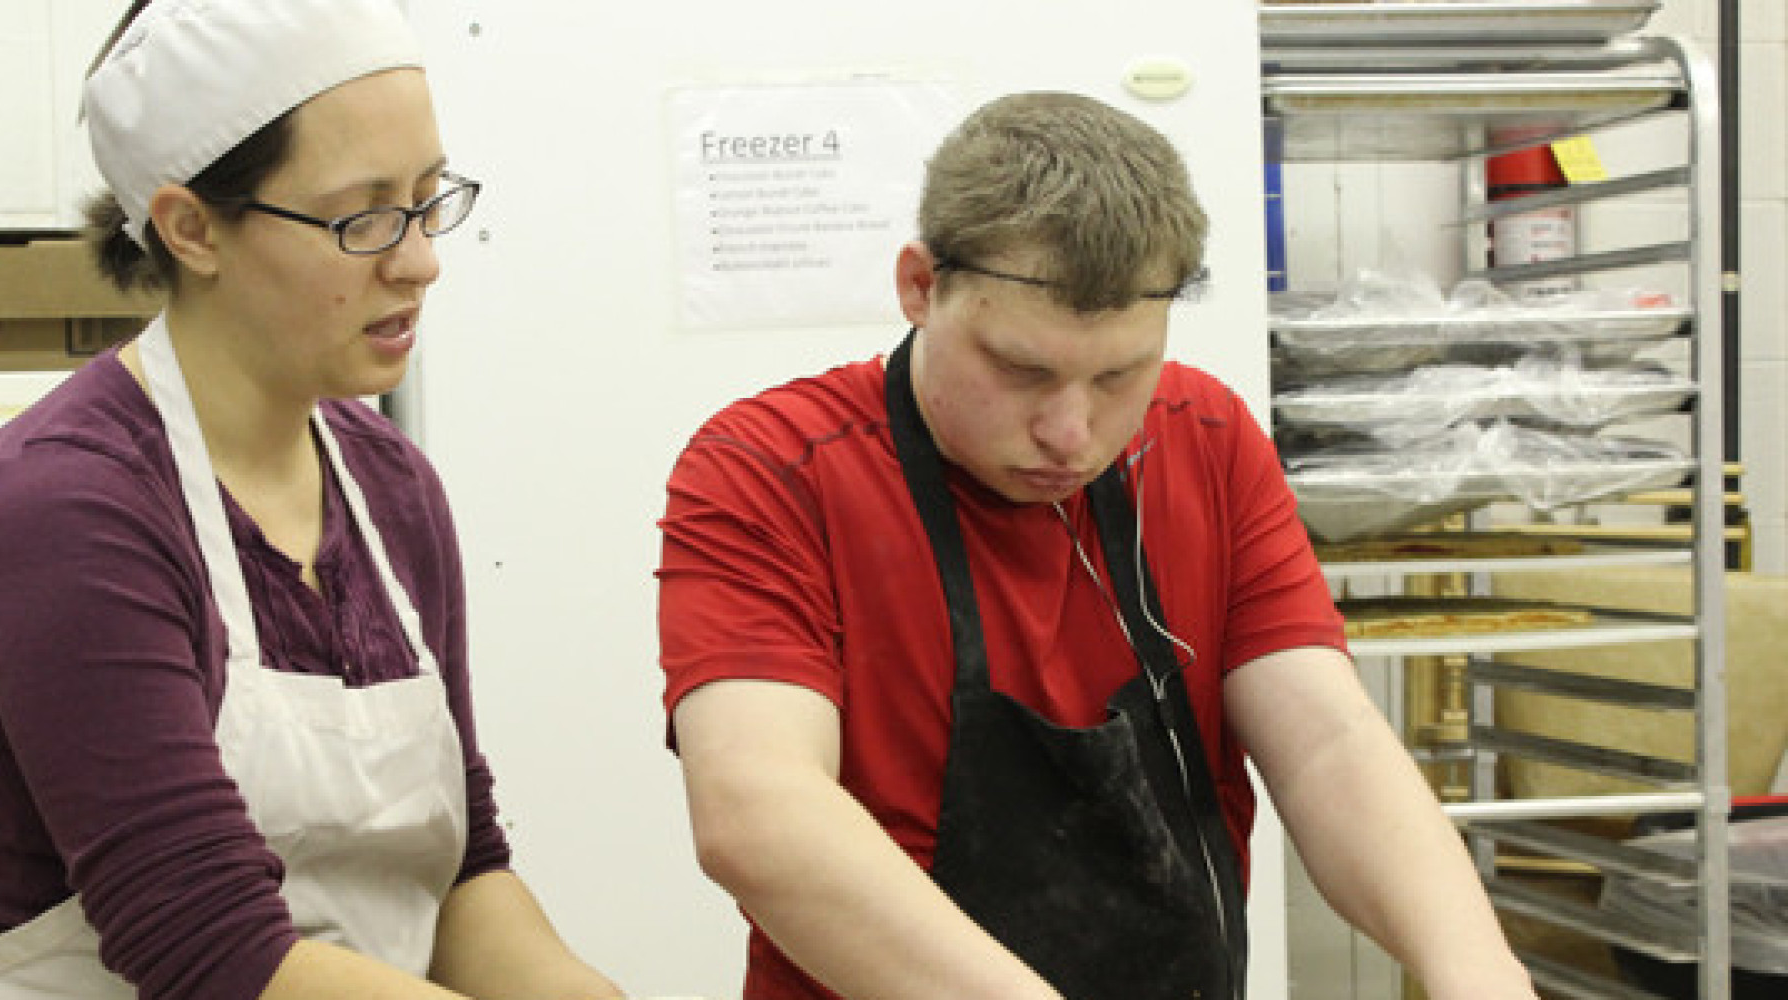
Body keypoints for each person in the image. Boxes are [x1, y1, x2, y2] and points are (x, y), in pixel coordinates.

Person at [656, 91, 1539, 1000]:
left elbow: (1327, 743)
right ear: (921, 287)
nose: (1071, 433)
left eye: (1119, 374)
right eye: (1020, 370)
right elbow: (758, 813)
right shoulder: (771, 470)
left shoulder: (1207, 437)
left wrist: (1475, 967)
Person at [0, 2, 622, 998]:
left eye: (428, 199)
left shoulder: (390, 487)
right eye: (363, 216)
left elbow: (462, 865)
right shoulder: (66, 508)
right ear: (191, 228)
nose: (419, 258)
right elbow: (207, 950)